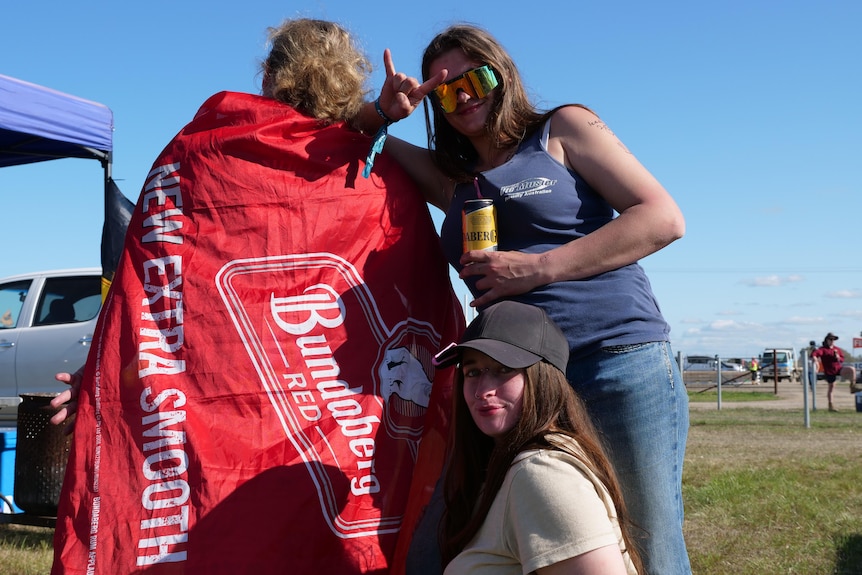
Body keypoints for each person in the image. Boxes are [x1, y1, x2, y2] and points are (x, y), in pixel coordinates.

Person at [49, 18, 463, 575]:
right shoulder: (381, 179)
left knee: (227, 541)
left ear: (269, 76)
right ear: (348, 79)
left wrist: (103, 375)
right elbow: (417, 307)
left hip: (218, 438)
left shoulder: (202, 155)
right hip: (329, 446)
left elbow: (152, 294)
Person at [373, 24, 690, 574]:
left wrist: (538, 268)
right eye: (445, 90)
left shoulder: (561, 130)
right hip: (510, 377)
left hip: (613, 357)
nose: (463, 96)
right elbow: (357, 136)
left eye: (475, 77)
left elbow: (662, 218)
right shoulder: (453, 182)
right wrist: (382, 113)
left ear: (503, 74)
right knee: (445, 536)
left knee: (645, 539)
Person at [433, 300, 642, 575]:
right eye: (472, 372)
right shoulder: (499, 467)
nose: (483, 390)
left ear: (543, 377)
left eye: (504, 369)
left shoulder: (543, 472)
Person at [811, 332, 844, 412]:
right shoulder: (823, 349)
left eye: (833, 339)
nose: (832, 341)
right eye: (830, 339)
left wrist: (838, 357)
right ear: (827, 340)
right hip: (830, 371)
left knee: (851, 370)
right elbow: (815, 353)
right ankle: (831, 405)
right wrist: (815, 358)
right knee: (831, 386)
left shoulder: (837, 349)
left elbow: (842, 359)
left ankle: (852, 386)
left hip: (838, 368)